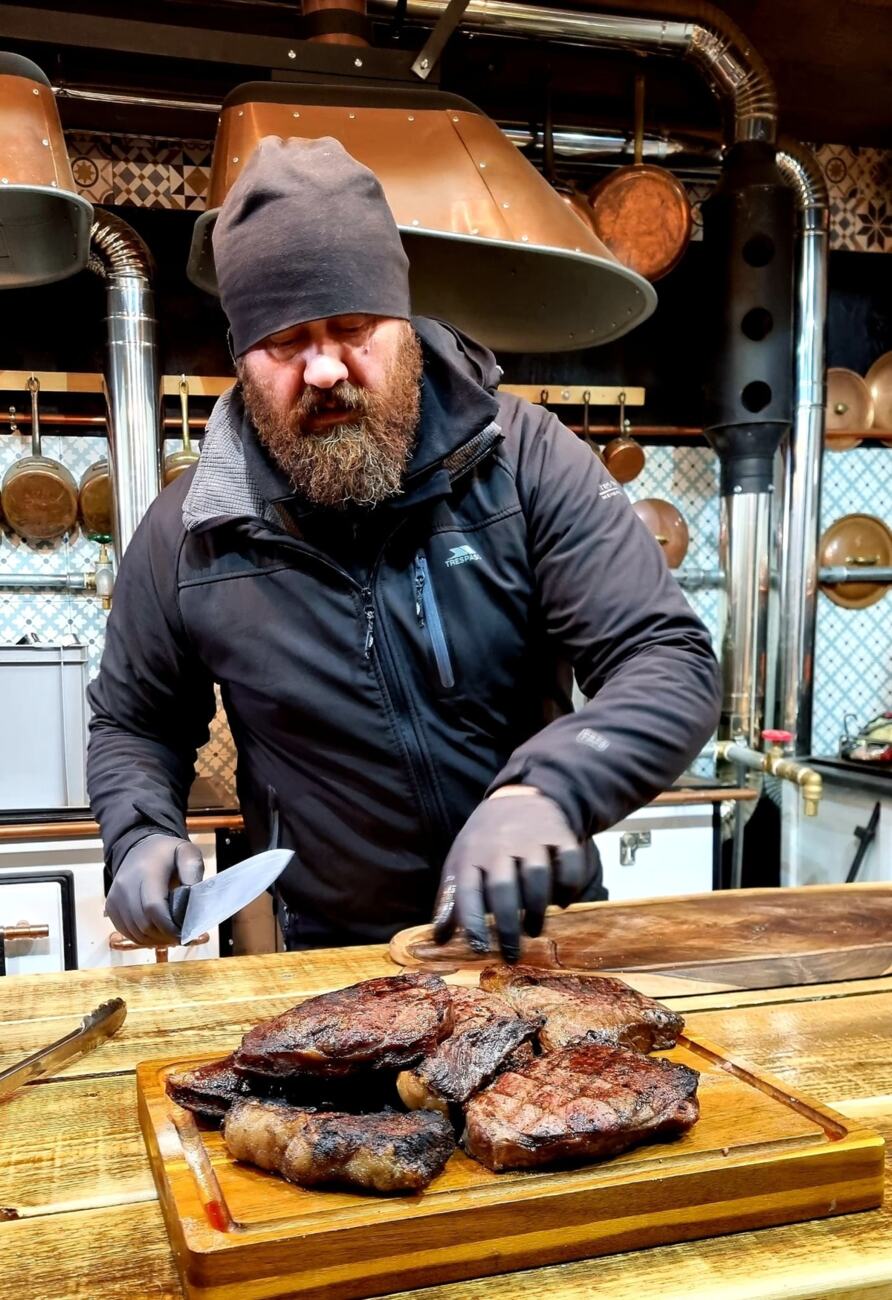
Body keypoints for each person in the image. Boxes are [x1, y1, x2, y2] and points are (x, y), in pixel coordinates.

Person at [87, 136, 721, 962]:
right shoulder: (190, 531)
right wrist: (139, 830)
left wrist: (548, 789)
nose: (324, 369)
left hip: (533, 934)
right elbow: (134, 722)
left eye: (352, 327)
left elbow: (665, 657)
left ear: (403, 323)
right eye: (285, 342)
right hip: (335, 958)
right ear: (241, 359)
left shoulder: (525, 459)